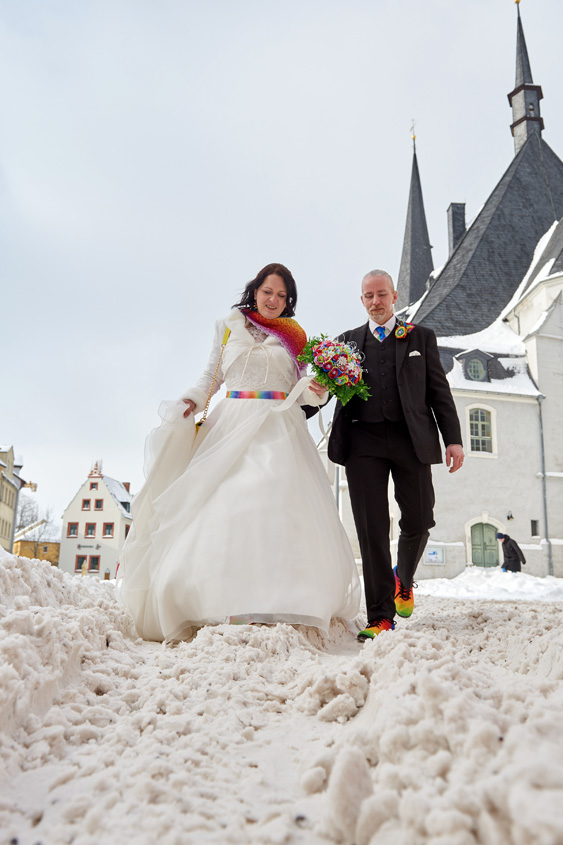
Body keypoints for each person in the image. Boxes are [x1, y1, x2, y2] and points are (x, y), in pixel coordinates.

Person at [117, 263, 361, 642]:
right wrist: (192, 400)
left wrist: (325, 385)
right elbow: (211, 377)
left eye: (282, 295)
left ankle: (280, 601)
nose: (274, 300)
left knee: (274, 506)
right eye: (268, 291)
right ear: (255, 290)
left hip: (280, 425)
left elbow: (305, 389)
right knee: (223, 506)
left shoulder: (295, 336)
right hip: (230, 423)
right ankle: (212, 601)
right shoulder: (227, 325)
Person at [326, 270, 464, 640]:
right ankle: (381, 616)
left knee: (419, 519)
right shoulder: (346, 343)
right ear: (362, 300)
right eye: (368, 296)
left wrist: (453, 439)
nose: (375, 301)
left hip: (410, 439)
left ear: (394, 296)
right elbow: (324, 391)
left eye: (381, 294)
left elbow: (439, 392)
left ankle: (404, 577)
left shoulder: (420, 337)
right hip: (362, 443)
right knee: (371, 530)